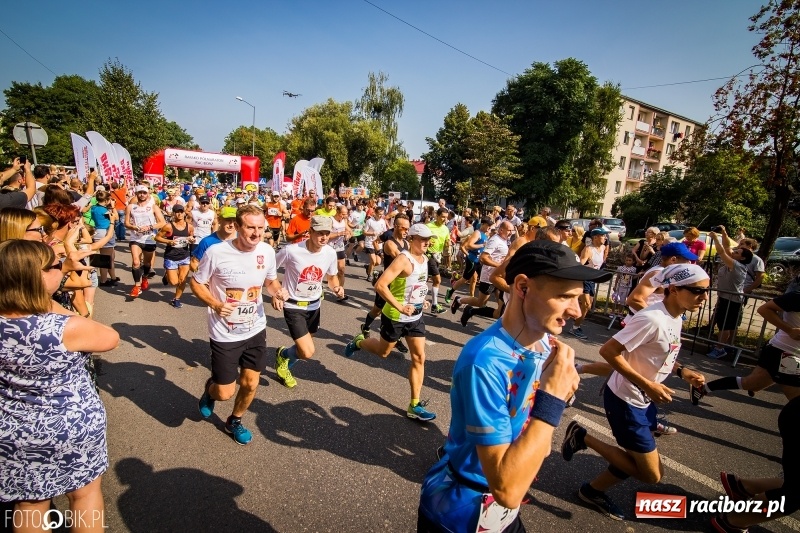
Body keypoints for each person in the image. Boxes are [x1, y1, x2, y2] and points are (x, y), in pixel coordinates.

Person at [418, 241, 608, 532]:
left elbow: (535, 435)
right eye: (565, 296)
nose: (576, 310)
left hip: (503, 511)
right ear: (523, 287)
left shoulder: (545, 342)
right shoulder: (484, 362)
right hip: (460, 512)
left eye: (578, 297)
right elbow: (507, 490)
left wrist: (563, 388)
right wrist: (552, 400)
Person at [561, 263, 710, 520]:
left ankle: (592, 491)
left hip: (643, 400)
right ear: (674, 289)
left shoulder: (675, 316)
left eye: (707, 291)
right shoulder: (651, 319)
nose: (704, 297)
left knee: (635, 459)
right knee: (652, 475)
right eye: (697, 290)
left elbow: (659, 353)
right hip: (626, 401)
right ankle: (583, 437)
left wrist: (682, 371)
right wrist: (648, 385)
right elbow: (608, 351)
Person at [0, 240, 119, 531]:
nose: (62, 270)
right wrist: (49, 301)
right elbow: (110, 338)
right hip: (71, 424)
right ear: (38, 278)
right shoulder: (63, 327)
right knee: (84, 495)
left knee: (29, 503)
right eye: (56, 266)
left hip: (13, 427)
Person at [191, 205, 288, 445]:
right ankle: (211, 389)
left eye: (260, 228)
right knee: (224, 392)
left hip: (255, 327)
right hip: (224, 333)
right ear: (236, 226)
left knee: (250, 382)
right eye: (250, 227)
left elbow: (271, 281)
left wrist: (277, 292)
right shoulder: (216, 252)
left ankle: (235, 420)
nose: (257, 233)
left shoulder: (267, 251)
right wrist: (215, 304)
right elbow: (196, 282)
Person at [705, 290, 800, 532]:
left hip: (793, 359)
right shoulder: (798, 296)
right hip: (783, 353)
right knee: (754, 384)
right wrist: (790, 330)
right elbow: (764, 309)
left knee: (756, 385)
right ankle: (734, 519)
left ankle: (743, 488)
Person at [344, 224, 437, 422]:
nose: (427, 242)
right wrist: (400, 307)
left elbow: (416, 285)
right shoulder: (403, 259)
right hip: (395, 316)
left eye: (429, 239)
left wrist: (422, 300)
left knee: (419, 357)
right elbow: (380, 285)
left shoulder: (425, 259)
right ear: (411, 239)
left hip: (415, 317)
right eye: (422, 239)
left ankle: (414, 405)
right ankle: (359, 342)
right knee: (383, 352)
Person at [274, 216, 343, 389]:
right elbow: (269, 270)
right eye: (320, 233)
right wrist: (276, 291)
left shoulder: (330, 253)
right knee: (307, 352)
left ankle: (284, 362)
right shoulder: (291, 251)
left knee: (304, 346)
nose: (324, 237)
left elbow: (332, 278)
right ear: (310, 231)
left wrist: (336, 287)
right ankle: (283, 355)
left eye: (327, 233)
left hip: (314, 305)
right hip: (293, 306)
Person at [360, 214, 411, 354]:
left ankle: (396, 339)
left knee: (397, 311)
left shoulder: (407, 243)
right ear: (396, 227)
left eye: (408, 228)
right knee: (377, 310)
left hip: (399, 285)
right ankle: (366, 327)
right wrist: (379, 252)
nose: (407, 231)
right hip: (387, 284)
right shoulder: (390, 243)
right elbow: (404, 261)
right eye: (404, 228)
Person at [451, 221, 514, 327]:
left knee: (501, 310)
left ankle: (501, 326)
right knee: (480, 303)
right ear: (501, 230)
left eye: (512, 230)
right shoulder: (495, 240)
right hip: (489, 277)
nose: (511, 233)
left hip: (499, 277)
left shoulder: (504, 240)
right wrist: (500, 266)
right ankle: (459, 300)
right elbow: (483, 258)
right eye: (509, 230)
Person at [706, 227, 753, 359]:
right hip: (725, 297)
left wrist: (715, 238)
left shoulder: (737, 266)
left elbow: (722, 251)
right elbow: (727, 247)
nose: (733, 252)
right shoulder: (734, 262)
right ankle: (723, 345)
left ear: (743, 258)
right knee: (724, 324)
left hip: (732, 300)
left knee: (724, 326)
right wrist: (724, 233)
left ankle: (720, 349)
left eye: (737, 252)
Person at [125, 185, 166, 298]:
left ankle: (145, 277)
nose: (142, 195)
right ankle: (137, 286)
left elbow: (162, 222)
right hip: (136, 238)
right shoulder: (130, 207)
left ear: (148, 194)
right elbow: (126, 223)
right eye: (140, 193)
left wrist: (149, 227)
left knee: (147, 264)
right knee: (136, 262)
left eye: (144, 193)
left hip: (149, 238)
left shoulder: (153, 207)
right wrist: (133, 227)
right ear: (136, 194)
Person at [569, 227, 609, 340]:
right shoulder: (588, 249)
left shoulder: (603, 247)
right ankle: (575, 328)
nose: (605, 238)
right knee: (586, 305)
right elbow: (581, 264)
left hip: (593, 279)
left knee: (588, 306)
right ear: (595, 237)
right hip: (585, 278)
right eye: (603, 235)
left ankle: (572, 314)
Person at [155, 204, 195, 308]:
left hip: (184, 256)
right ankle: (167, 275)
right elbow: (157, 237)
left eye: (181, 212)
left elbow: (191, 237)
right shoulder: (168, 226)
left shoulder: (189, 227)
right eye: (177, 212)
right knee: (174, 282)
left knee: (182, 280)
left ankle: (176, 299)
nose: (179, 214)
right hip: (171, 256)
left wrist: (191, 240)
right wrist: (169, 241)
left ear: (184, 213)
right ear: (173, 213)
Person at [446, 217, 490, 303]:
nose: (489, 228)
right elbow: (468, 245)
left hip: (479, 261)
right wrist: (479, 247)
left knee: (481, 279)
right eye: (488, 226)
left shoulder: (485, 235)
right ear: (483, 224)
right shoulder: (477, 233)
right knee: (465, 279)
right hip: (472, 260)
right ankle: (450, 291)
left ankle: (477, 300)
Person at [190, 207, 238, 271]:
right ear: (219, 220)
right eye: (228, 220)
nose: (231, 224)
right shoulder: (207, 242)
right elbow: (194, 263)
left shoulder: (243, 240)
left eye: (235, 221)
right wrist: (203, 275)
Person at [426, 208, 451, 313]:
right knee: (437, 280)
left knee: (424, 279)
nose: (445, 219)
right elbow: (420, 239)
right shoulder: (428, 226)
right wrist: (428, 243)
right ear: (437, 216)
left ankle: (431, 305)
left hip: (438, 256)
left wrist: (448, 244)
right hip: (428, 255)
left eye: (446, 217)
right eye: (442, 217)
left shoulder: (445, 229)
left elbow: (447, 241)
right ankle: (434, 305)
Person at [329, 205, 351, 301]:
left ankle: (340, 292)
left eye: (346, 214)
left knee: (341, 270)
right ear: (337, 212)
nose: (345, 216)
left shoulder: (344, 220)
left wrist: (348, 235)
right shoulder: (330, 220)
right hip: (329, 249)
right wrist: (339, 234)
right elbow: (326, 235)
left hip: (340, 248)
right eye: (343, 214)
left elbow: (349, 231)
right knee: (329, 272)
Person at [363, 206, 388, 281]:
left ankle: (369, 267)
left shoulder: (383, 221)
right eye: (379, 214)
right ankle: (370, 275)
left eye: (382, 214)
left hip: (378, 244)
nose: (381, 216)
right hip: (370, 243)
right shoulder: (370, 221)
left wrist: (383, 237)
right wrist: (372, 233)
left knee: (378, 262)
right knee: (373, 261)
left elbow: (384, 231)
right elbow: (364, 232)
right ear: (375, 213)